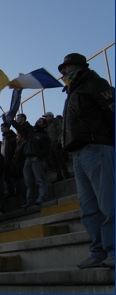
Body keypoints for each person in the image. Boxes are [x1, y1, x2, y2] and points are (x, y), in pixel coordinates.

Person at [58, 53, 114, 269]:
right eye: (62, 69)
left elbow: (112, 112)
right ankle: (98, 251)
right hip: (79, 153)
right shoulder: (72, 91)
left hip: (97, 147)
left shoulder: (95, 83)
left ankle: (114, 249)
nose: (64, 71)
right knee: (89, 207)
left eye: (67, 66)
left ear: (81, 66)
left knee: (108, 202)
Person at [7, 115, 51, 207]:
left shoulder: (44, 136)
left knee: (40, 180)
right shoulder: (31, 133)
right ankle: (30, 200)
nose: (36, 122)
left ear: (44, 125)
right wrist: (12, 121)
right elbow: (20, 128)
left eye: (39, 122)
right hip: (28, 160)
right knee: (28, 182)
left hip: (36, 160)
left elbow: (46, 149)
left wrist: (39, 157)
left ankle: (42, 197)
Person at [43, 111, 72, 183]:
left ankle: (66, 173)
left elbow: (60, 132)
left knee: (60, 160)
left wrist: (59, 142)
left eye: (46, 116)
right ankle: (59, 175)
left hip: (56, 143)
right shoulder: (47, 126)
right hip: (50, 145)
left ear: (50, 116)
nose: (45, 118)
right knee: (53, 161)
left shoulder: (56, 122)